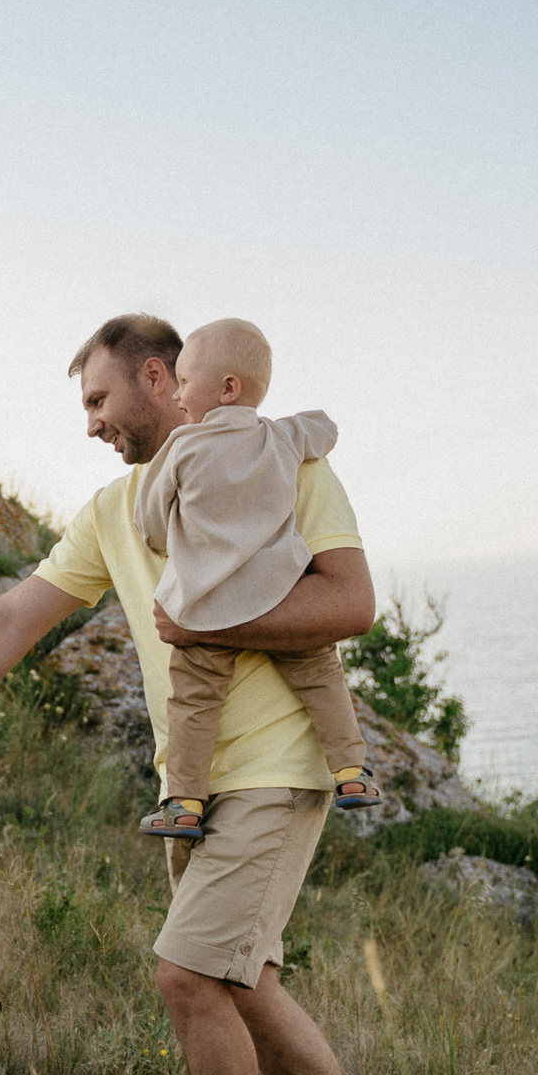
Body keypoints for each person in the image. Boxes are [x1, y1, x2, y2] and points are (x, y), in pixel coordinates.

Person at [0, 313, 408, 1075]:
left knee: (189, 976)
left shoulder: (284, 464)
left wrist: (210, 623)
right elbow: (13, 619)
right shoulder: (114, 512)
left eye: (98, 399)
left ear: (157, 377)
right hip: (191, 784)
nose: (91, 422)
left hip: (278, 765)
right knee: (242, 984)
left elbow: (352, 601)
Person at [134, 320, 378, 841]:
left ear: (226, 388)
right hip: (278, 595)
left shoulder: (182, 447)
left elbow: (150, 522)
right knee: (321, 676)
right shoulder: (282, 436)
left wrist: (165, 539)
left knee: (195, 703)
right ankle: (352, 773)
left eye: (183, 382)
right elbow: (326, 429)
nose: (176, 397)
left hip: (206, 604)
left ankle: (185, 804)